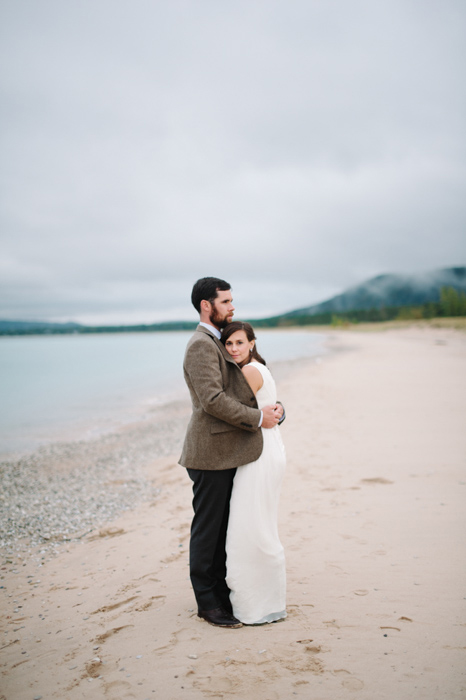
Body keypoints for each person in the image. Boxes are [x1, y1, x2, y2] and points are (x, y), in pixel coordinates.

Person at [179, 277, 284, 629]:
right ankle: (208, 604)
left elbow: (243, 388)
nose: (232, 307)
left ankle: (221, 595)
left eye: (232, 301)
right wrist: (258, 418)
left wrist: (273, 409)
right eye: (225, 301)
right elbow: (211, 401)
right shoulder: (200, 345)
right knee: (209, 529)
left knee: (225, 527)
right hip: (209, 451)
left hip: (228, 450)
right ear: (206, 305)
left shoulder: (219, 342)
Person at [221, 321, 287, 624]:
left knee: (250, 528)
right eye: (229, 344)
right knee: (259, 523)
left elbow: (230, 412)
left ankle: (256, 606)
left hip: (258, 454)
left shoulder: (249, 371)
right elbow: (267, 408)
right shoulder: (260, 367)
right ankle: (266, 601)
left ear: (252, 343)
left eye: (239, 343)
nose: (234, 349)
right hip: (269, 448)